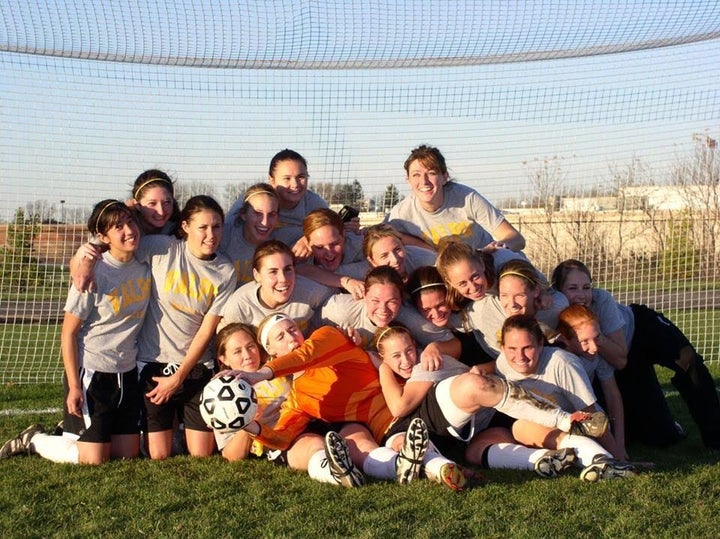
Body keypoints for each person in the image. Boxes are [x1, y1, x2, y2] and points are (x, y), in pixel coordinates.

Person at [230, 314, 596, 489]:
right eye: (280, 336)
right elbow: (279, 437)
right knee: (395, 443)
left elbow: (307, 353)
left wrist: (263, 374)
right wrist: (250, 424)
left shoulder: (329, 339)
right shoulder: (300, 401)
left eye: (292, 327)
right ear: (269, 349)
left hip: (419, 403)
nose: (291, 336)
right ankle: (438, 471)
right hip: (393, 427)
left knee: (473, 384)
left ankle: (567, 420)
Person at [1, 200, 151, 464]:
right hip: (94, 371)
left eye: (130, 222)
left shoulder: (144, 264)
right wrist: (73, 386)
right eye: (118, 227)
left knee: (127, 454)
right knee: (93, 459)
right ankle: (34, 439)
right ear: (103, 237)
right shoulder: (94, 273)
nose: (129, 230)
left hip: (127, 372)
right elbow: (68, 333)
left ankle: (70, 431)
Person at [552, 258, 720, 449]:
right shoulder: (553, 313)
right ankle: (667, 426)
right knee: (659, 437)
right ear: (558, 292)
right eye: (572, 288)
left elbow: (621, 359)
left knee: (689, 362)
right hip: (610, 358)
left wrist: (594, 334)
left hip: (637, 332)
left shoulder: (602, 299)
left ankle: (715, 436)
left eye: (586, 287)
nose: (582, 295)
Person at [374, 324, 579, 479]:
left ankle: (572, 430)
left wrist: (384, 368)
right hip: (467, 429)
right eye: (396, 355)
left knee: (535, 430)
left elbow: (399, 407)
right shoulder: (405, 373)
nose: (406, 360)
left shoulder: (428, 364)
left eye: (409, 350)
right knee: (475, 452)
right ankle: (541, 460)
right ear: (383, 355)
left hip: (487, 409)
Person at [131, 195, 236, 460]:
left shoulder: (225, 270)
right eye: (202, 227)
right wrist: (84, 258)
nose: (210, 235)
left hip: (196, 368)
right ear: (186, 226)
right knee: (158, 455)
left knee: (201, 454)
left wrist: (179, 378)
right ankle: (169, 429)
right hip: (154, 363)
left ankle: (178, 427)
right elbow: (118, 246)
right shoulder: (161, 249)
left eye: (216, 227)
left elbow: (206, 330)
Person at [493, 314, 636, 481]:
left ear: (540, 344)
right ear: (502, 347)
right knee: (519, 428)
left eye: (527, 347)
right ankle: (564, 458)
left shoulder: (563, 363)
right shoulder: (502, 364)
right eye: (512, 349)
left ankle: (602, 459)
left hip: (583, 426)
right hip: (548, 429)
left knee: (521, 427)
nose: (520, 356)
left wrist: (619, 456)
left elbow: (592, 417)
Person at [312, 265, 461, 369]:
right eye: (375, 301)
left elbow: (455, 345)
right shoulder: (340, 309)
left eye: (391, 302)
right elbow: (309, 332)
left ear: (401, 300)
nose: (383, 310)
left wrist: (434, 348)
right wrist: (336, 340)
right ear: (364, 295)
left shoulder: (412, 320)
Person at [385, 144, 524, 252]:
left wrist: (499, 247)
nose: (424, 181)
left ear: (445, 177)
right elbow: (378, 238)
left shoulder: (467, 198)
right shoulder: (400, 213)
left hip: (482, 268)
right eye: (416, 175)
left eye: (431, 173)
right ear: (408, 179)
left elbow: (517, 239)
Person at [556, 305, 627, 459]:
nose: (594, 348)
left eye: (597, 337)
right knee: (595, 426)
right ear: (564, 339)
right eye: (584, 341)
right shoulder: (561, 361)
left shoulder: (596, 356)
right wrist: (617, 455)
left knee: (602, 425)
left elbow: (613, 395)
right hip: (557, 416)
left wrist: (620, 444)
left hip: (581, 413)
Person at [220, 240, 332, 334]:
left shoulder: (310, 291)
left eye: (287, 269)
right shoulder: (240, 307)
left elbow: (337, 308)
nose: (283, 279)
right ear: (257, 275)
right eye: (273, 272)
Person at [294, 208, 366, 299]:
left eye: (335, 244)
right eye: (319, 247)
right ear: (307, 244)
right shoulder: (300, 256)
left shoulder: (361, 247)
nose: (329, 254)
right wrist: (345, 281)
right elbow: (296, 270)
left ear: (344, 235)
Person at [220, 182, 279, 285]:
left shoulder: (279, 243)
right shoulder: (224, 236)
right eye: (257, 213)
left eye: (272, 214)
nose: (265, 222)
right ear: (243, 214)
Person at [129, 169, 181, 235]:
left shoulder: (181, 231)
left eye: (166, 202)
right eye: (152, 203)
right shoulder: (127, 233)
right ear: (138, 205)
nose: (161, 212)